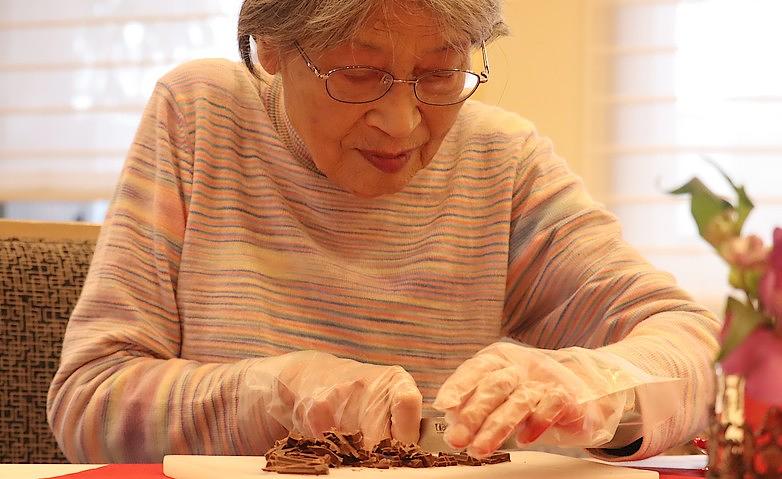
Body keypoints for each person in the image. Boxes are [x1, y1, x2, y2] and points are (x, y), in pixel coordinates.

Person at [47, 0, 719, 464]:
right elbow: (88, 404)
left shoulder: (501, 162)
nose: (402, 123)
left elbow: (701, 349)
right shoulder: (201, 117)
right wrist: (275, 394)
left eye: (440, 74)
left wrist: (594, 387)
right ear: (270, 46)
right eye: (357, 74)